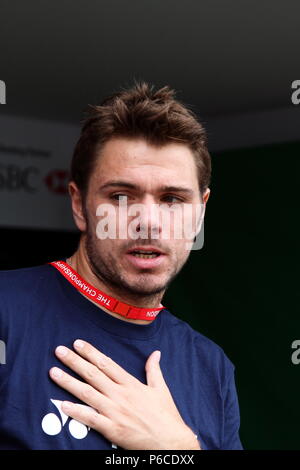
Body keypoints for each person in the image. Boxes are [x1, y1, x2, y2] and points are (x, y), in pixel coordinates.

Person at [0, 81, 243, 450]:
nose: (148, 221)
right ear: (80, 206)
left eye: (172, 199)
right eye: (120, 196)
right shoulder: (6, 311)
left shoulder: (211, 367)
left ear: (200, 213)